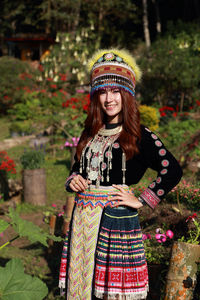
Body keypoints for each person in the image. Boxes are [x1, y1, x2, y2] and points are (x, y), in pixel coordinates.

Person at [59, 49, 182, 300]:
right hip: (83, 223)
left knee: (111, 293)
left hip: (116, 220)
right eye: (102, 91)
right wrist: (74, 180)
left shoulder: (139, 135)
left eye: (116, 91)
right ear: (96, 96)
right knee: (83, 286)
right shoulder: (89, 133)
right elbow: (77, 169)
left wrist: (143, 199)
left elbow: (173, 169)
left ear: (127, 95)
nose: (109, 99)